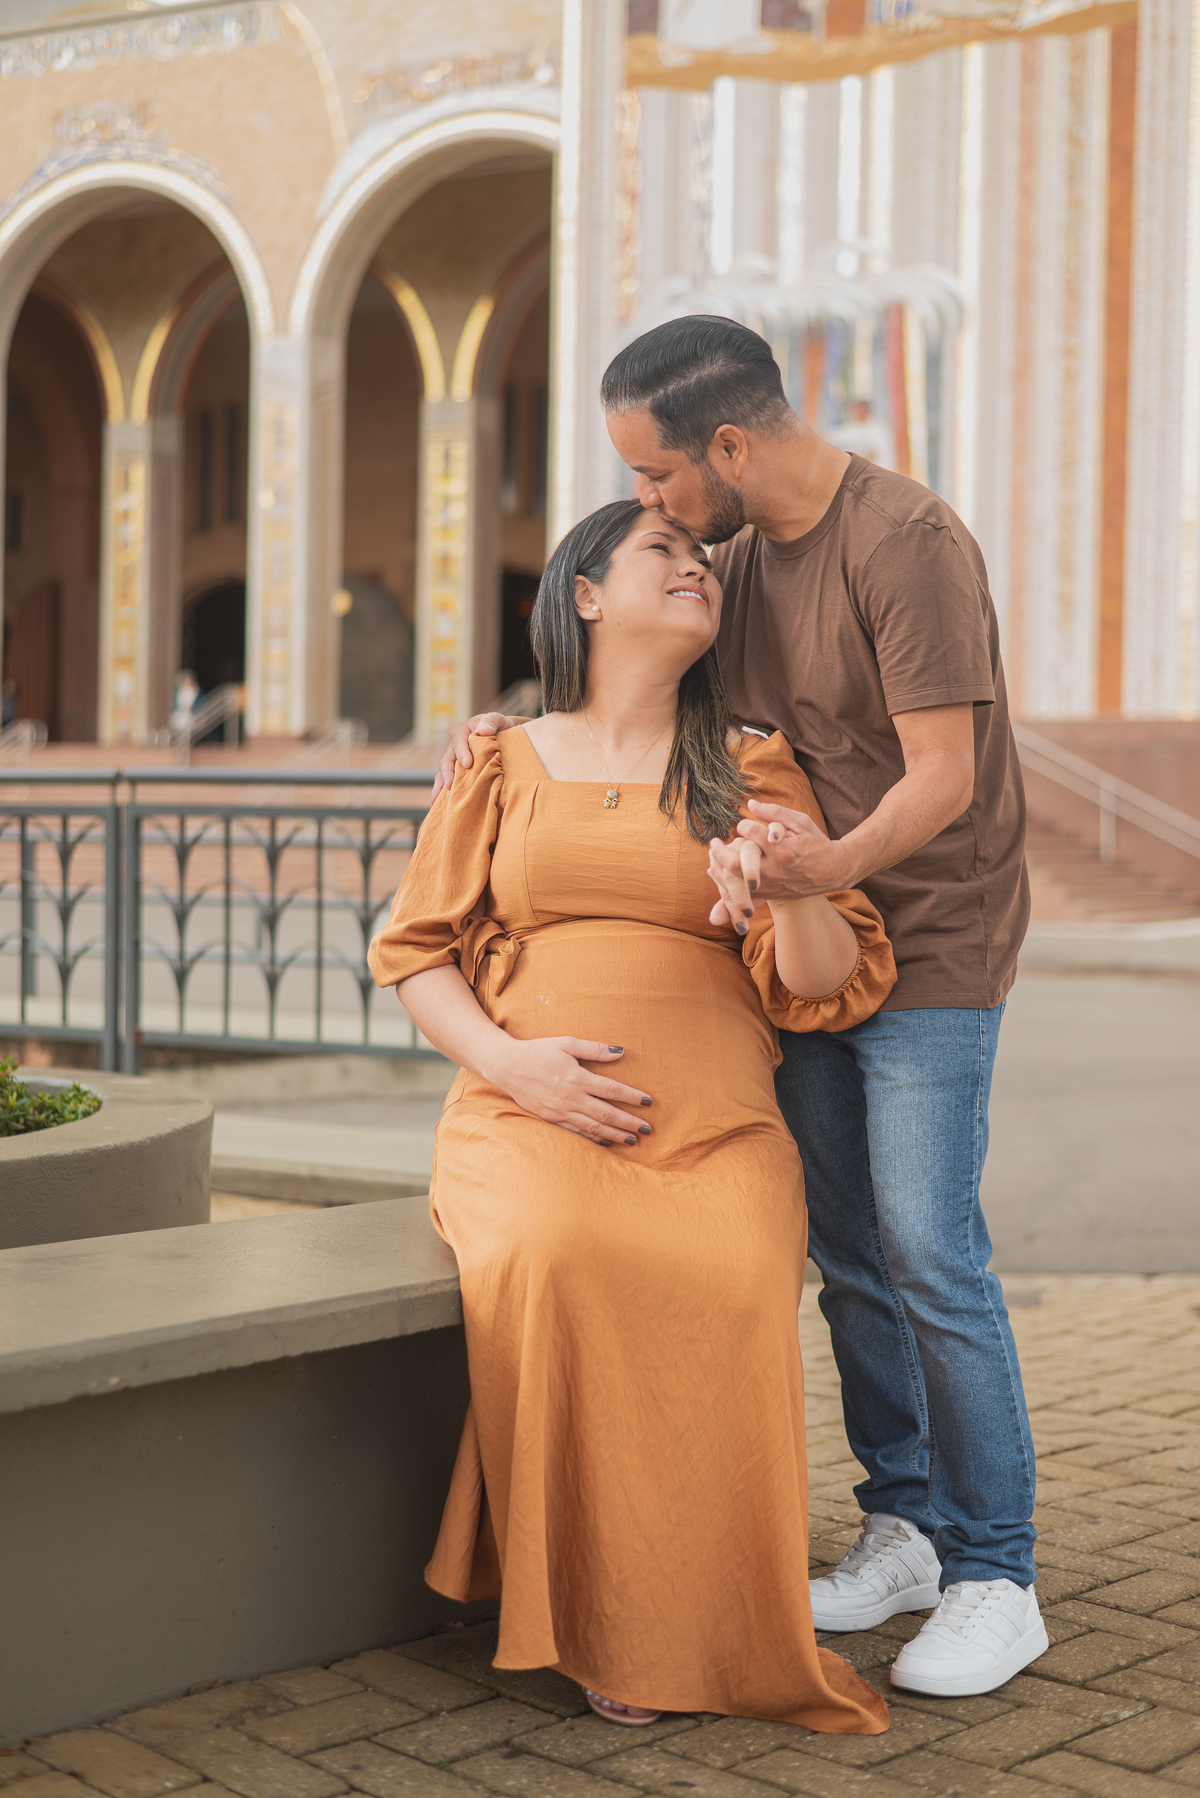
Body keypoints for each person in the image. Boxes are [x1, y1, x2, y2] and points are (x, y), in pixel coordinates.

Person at [439, 316, 1047, 1700]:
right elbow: (620, 679)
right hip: (812, 923)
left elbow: (943, 775)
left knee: (931, 1246)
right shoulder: (735, 561)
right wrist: (493, 724)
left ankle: (996, 1569)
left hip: (931, 939)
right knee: (849, 1246)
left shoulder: (909, 544)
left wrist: (822, 867)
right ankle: (902, 1519)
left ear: (726, 446)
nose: (650, 508)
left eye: (654, 478)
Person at [371, 499, 896, 1733]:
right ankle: (605, 1613)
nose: (696, 568)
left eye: (705, 559)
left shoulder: (750, 765)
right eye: (663, 552)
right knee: (551, 1251)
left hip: (716, 1125)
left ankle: (692, 1609)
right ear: (587, 595)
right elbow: (413, 954)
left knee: (729, 1276)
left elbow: (823, 981)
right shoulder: (498, 760)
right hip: (529, 1112)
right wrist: (514, 1067)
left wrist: (784, 880)